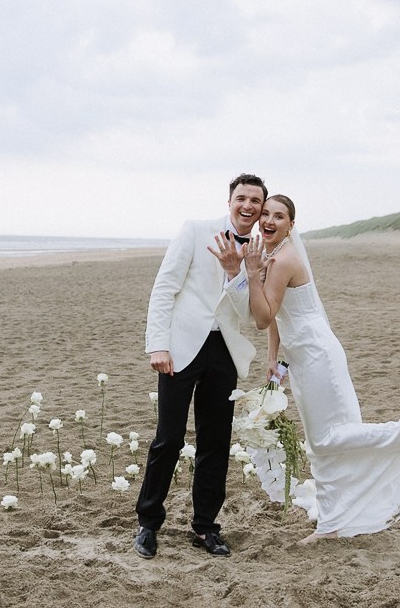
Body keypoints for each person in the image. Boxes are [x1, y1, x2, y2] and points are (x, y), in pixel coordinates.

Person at [240, 195, 400, 543]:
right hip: (301, 356)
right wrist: (273, 360)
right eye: (265, 214)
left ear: (291, 225)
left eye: (279, 216)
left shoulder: (282, 260)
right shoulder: (273, 256)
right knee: (318, 444)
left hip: (317, 355)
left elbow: (263, 317)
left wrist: (251, 275)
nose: (269, 220)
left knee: (328, 438)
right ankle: (332, 524)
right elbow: (276, 317)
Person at [133, 174, 267, 559]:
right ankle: (148, 523)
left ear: (261, 209)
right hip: (180, 348)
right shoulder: (194, 230)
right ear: (230, 202)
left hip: (224, 350)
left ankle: (206, 527)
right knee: (169, 439)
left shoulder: (259, 251)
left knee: (216, 442)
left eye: (255, 201)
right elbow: (164, 288)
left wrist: (236, 272)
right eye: (242, 198)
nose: (247, 206)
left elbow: (248, 312)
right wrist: (158, 345)